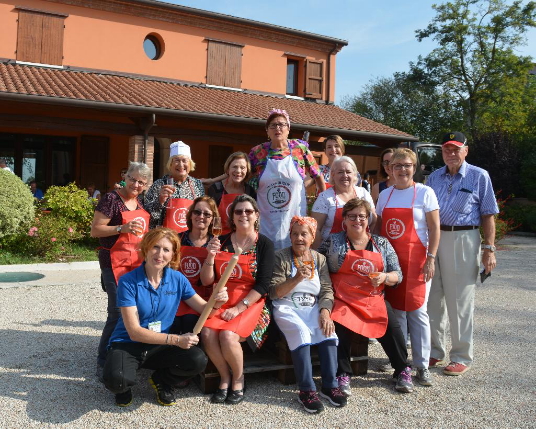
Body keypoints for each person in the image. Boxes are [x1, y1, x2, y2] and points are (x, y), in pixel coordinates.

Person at [102, 228, 229, 407]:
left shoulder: (178, 279)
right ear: (146, 248)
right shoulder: (128, 281)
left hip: (159, 345)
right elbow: (134, 332)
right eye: (155, 247)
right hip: (128, 343)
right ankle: (124, 386)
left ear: (173, 255)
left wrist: (216, 302)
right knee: (117, 381)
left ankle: (162, 380)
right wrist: (176, 340)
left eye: (166, 250)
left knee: (197, 360)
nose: (160, 254)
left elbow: (204, 309)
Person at [318, 198, 414, 394]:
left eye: (362, 216)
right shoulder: (333, 241)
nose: (357, 220)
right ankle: (342, 374)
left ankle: (402, 369)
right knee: (339, 328)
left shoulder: (381, 243)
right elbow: (318, 264)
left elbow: (398, 274)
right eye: (352, 216)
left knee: (392, 327)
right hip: (343, 298)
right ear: (344, 219)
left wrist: (385, 277)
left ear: (368, 218)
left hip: (372, 298)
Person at [426, 131, 498, 376]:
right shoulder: (433, 177)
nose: (451, 153)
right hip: (435, 239)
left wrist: (489, 249)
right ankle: (434, 351)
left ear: (466, 150)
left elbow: (488, 213)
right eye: (447, 149)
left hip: (464, 237)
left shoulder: (479, 176)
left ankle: (461, 355)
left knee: (460, 300)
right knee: (432, 297)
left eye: (456, 149)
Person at [200, 195, 275, 404]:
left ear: (256, 215)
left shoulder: (265, 244)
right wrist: (210, 257)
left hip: (251, 303)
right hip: (223, 300)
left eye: (248, 211)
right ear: (232, 217)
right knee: (206, 333)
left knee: (227, 335)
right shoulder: (221, 241)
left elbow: (263, 285)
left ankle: (239, 379)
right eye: (238, 211)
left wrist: (239, 308)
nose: (243, 215)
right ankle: (224, 377)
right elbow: (207, 281)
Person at [376, 148, 440, 386]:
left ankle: (422, 365)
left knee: (417, 311)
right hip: (392, 261)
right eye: (397, 166)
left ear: (415, 168)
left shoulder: (425, 193)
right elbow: (379, 228)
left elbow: (435, 228)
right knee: (396, 312)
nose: (402, 170)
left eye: (407, 165)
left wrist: (431, 258)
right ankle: (400, 362)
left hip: (417, 262)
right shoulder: (385, 195)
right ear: (389, 169)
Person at [270, 216, 346, 414]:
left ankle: (330, 385)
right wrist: (296, 278)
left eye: (304, 234)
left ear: (312, 237)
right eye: (295, 234)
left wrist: (325, 312)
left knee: (328, 332)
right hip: (287, 307)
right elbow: (273, 292)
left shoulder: (319, 259)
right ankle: (306, 390)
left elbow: (327, 290)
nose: (299, 238)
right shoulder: (280, 257)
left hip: (312, 306)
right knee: (301, 332)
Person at [90, 162, 151, 380]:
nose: (136, 184)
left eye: (141, 182)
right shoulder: (111, 199)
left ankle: (125, 352)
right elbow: (95, 230)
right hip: (112, 262)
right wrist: (121, 228)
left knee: (135, 310)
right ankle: (102, 361)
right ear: (125, 176)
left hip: (136, 263)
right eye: (133, 179)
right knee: (116, 311)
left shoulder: (139, 201)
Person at [248, 109, 325, 250]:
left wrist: (321, 203)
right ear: (267, 131)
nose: (278, 128)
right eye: (273, 125)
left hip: (296, 220)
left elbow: (317, 175)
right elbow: (239, 171)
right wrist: (213, 180)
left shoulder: (300, 149)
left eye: (282, 124)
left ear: (288, 129)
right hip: (266, 222)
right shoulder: (258, 152)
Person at [172, 196, 218, 336]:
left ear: (212, 219)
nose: (201, 216)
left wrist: (212, 254)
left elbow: (209, 281)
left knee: (190, 321)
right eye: (197, 212)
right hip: (176, 294)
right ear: (191, 215)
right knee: (172, 323)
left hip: (201, 296)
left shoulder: (216, 243)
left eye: (207, 214)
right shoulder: (177, 239)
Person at [311, 156, 376, 249]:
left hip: (362, 251)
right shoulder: (325, 197)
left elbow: (374, 221)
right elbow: (315, 229)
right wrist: (320, 255)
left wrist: (369, 246)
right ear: (333, 174)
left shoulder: (363, 193)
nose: (345, 175)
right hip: (332, 252)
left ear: (354, 174)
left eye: (348, 172)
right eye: (340, 172)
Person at [144, 141, 204, 230]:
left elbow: (202, 211)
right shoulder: (159, 184)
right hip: (164, 237)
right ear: (170, 164)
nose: (180, 165)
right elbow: (146, 214)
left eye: (184, 161)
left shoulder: (197, 185)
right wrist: (159, 201)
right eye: (176, 160)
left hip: (188, 237)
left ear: (190, 164)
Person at [207, 152, 256, 236]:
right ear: (227, 169)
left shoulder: (250, 191)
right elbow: (209, 217)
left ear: (247, 170)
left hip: (242, 239)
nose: (238, 171)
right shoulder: (216, 189)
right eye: (235, 167)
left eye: (243, 168)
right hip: (219, 239)